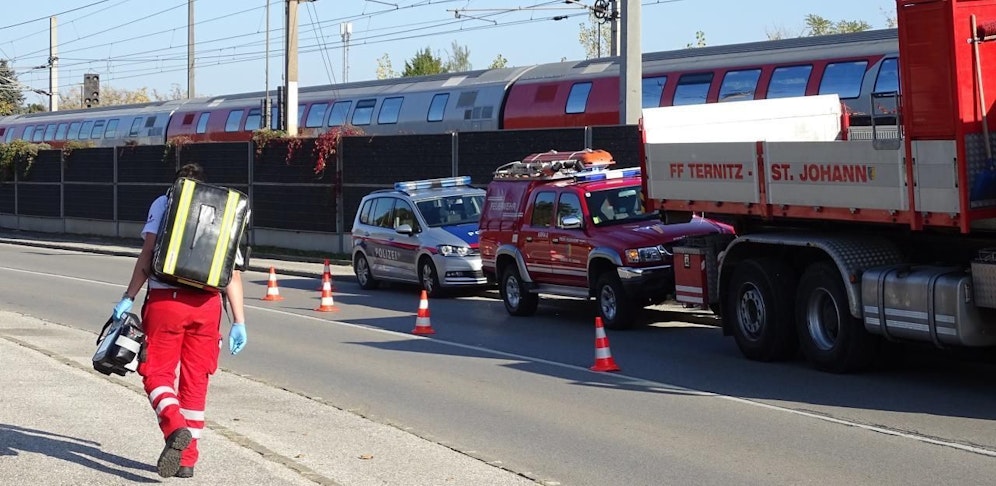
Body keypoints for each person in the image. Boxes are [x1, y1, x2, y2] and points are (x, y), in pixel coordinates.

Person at [112, 163, 247, 479]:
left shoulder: (164, 202)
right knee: (196, 380)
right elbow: (232, 274)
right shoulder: (226, 208)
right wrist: (238, 321)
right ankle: (187, 460)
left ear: (178, 187)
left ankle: (174, 426)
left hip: (166, 303)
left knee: (156, 372)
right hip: (207, 306)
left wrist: (129, 296)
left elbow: (147, 256)